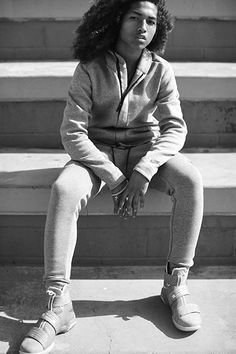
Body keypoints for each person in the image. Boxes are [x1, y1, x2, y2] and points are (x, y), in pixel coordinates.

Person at [19, 0, 203, 353]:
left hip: (146, 150)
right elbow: (73, 134)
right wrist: (118, 179)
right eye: (134, 18)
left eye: (150, 21)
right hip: (98, 151)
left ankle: (175, 284)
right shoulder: (89, 68)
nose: (143, 27)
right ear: (116, 21)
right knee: (64, 188)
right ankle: (58, 303)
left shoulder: (161, 70)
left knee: (190, 180)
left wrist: (145, 169)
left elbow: (174, 129)